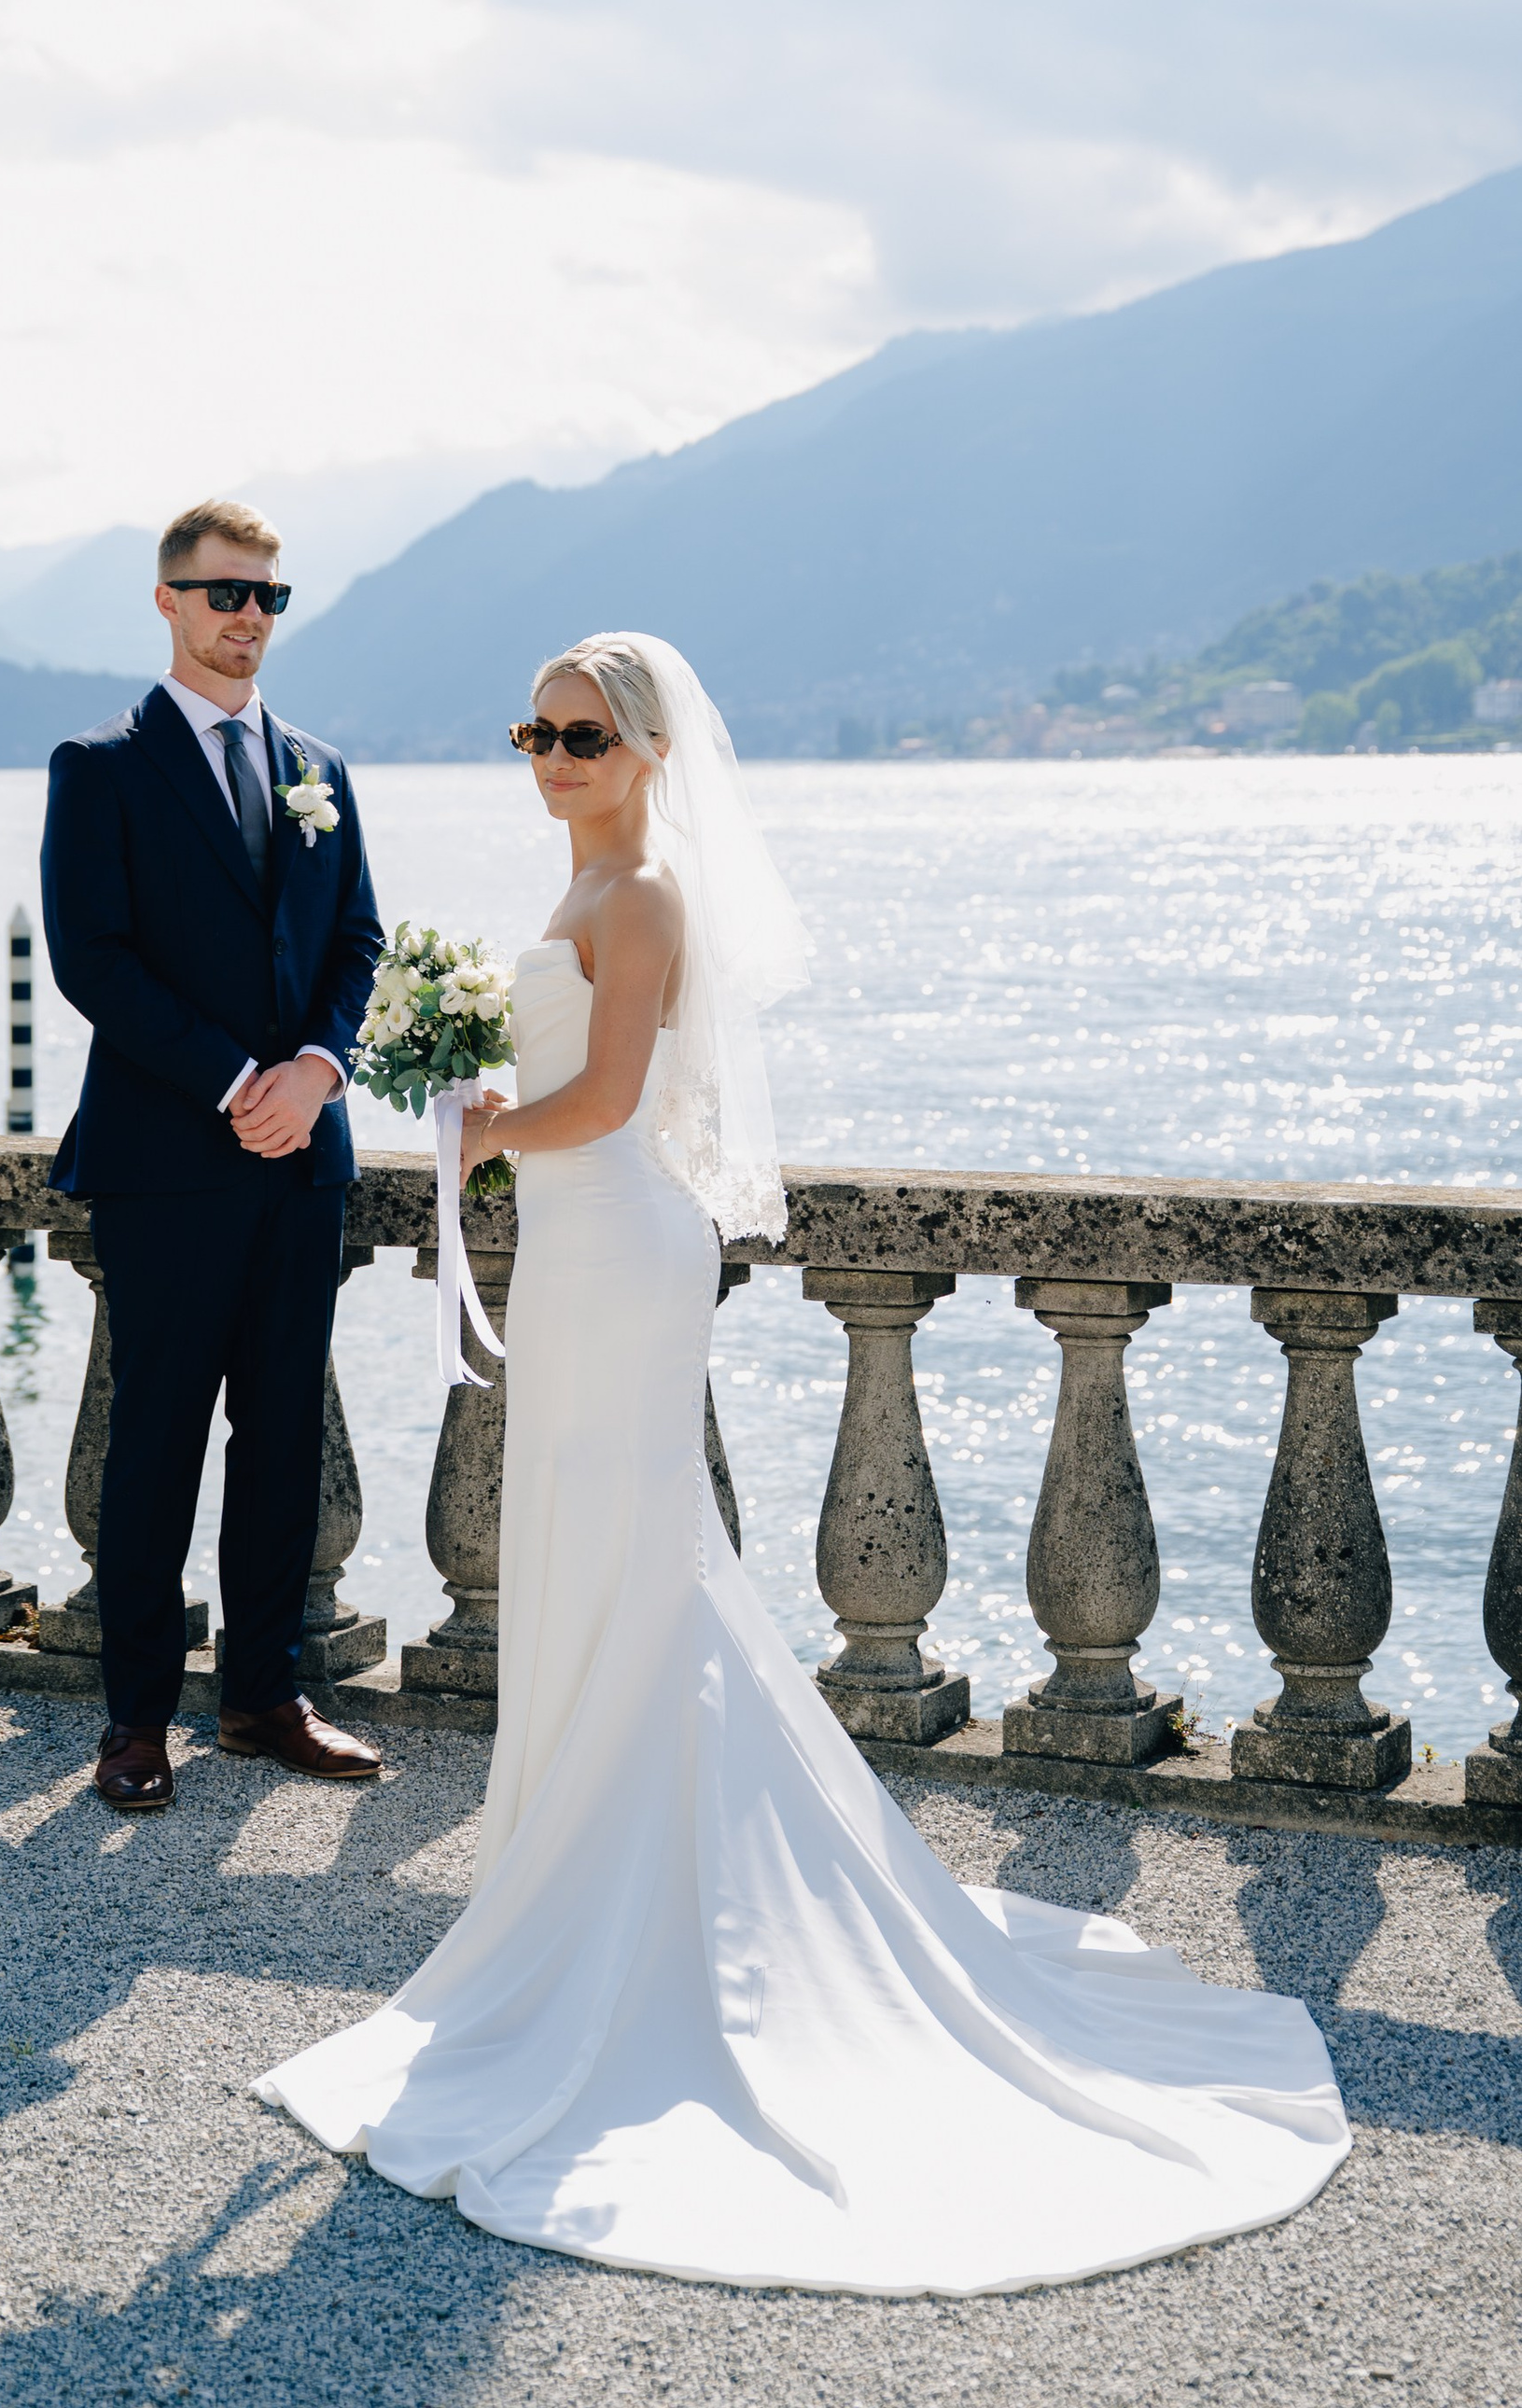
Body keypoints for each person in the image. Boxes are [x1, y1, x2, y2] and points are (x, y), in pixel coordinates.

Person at [257, 631, 1349, 2295]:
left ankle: (639, 1912)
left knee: (637, 1557)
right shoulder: (588, 888)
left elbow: (611, 1104)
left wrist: (476, 1115)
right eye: (531, 732)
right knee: (594, 1554)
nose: (550, 757)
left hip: (617, 1247)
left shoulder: (645, 900)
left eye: (580, 733)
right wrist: (480, 1091)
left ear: (644, 749)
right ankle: (590, 1879)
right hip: (570, 1255)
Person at [41, 497, 387, 1815]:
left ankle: (265, 1697)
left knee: (285, 1433)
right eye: (225, 594)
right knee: (159, 1442)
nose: (249, 618)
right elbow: (94, 960)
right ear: (169, 602)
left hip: (305, 1155)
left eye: (268, 598)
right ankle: (136, 1720)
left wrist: (318, 1073)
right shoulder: (102, 765)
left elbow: (357, 943)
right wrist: (239, 1079)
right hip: (167, 1157)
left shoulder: (320, 768)